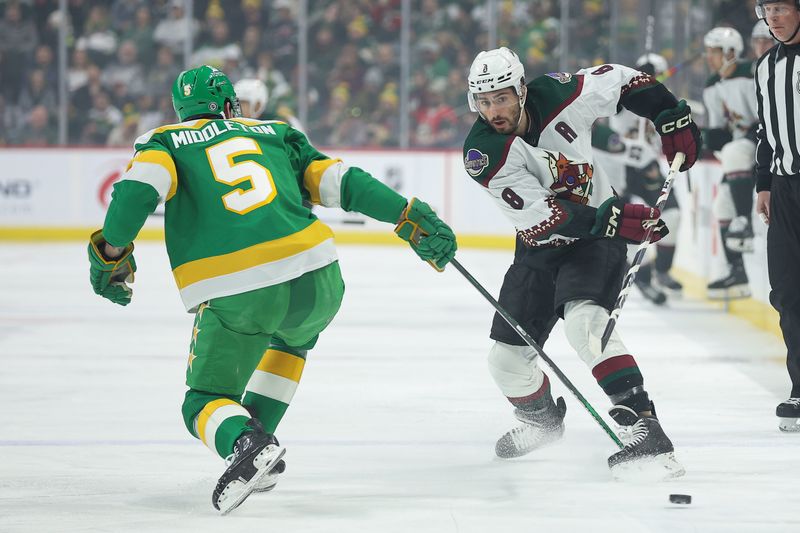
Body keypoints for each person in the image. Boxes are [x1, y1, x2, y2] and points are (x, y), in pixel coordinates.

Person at [87, 65, 457, 513]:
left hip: (238, 286)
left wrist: (110, 250)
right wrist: (407, 214)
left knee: (203, 401)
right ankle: (258, 443)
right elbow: (344, 184)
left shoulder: (164, 141)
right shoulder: (274, 132)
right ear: (228, 104)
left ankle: (245, 442)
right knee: (290, 343)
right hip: (319, 274)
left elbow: (134, 195)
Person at [463, 47, 700, 476]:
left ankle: (645, 426)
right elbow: (546, 218)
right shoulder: (484, 153)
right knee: (505, 362)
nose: (493, 110)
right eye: (484, 101)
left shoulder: (558, 93)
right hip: (541, 245)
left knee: (586, 326)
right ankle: (542, 422)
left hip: (594, 244)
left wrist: (667, 113)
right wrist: (616, 221)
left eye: (501, 97)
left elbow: (625, 79)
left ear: (520, 90)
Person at [593, 52, 684, 305]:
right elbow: (593, 131)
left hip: (647, 168)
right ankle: (640, 278)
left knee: (673, 216)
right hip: (618, 171)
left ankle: (663, 271)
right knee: (628, 226)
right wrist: (625, 149)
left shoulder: (666, 103)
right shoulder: (623, 99)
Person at [753, 0, 800, 432]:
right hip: (785, 190)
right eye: (769, 9)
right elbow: (766, 129)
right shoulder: (766, 66)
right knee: (786, 291)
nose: (774, 17)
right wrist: (763, 183)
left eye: (782, 7)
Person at [702, 27, 760, 300]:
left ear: (730, 53)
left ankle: (744, 223)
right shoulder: (713, 86)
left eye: (713, 51)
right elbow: (717, 135)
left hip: (763, 143)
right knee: (720, 205)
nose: (708, 57)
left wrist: (735, 143)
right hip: (740, 147)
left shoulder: (751, 75)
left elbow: (766, 120)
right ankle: (738, 271)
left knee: (735, 151)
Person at [234, 77, 304, 130]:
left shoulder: (280, 123)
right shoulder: (230, 124)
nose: (239, 108)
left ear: (258, 105)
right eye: (237, 103)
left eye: (244, 103)